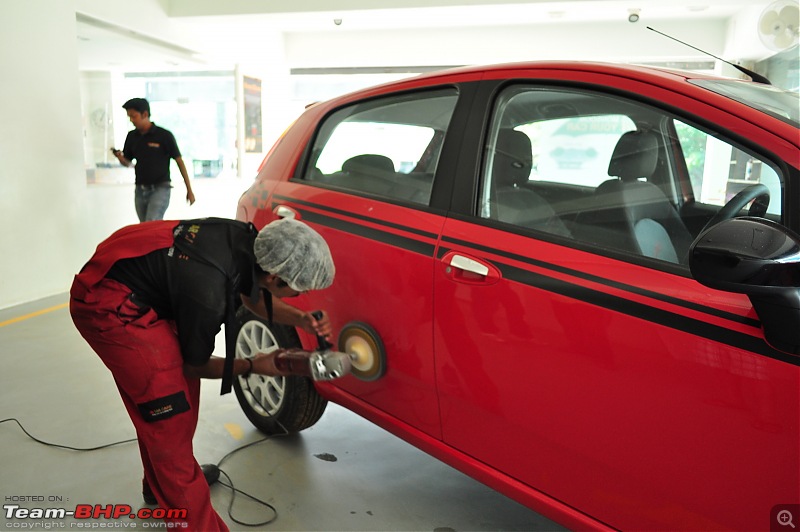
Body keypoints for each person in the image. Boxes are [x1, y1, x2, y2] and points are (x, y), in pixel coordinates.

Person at [69, 217, 336, 531]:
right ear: (276, 275)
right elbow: (194, 365)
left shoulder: (247, 241)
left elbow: (250, 290)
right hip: (108, 306)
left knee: (179, 402)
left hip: (143, 283)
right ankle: (185, 504)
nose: (299, 295)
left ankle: (159, 488)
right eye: (298, 289)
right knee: (168, 414)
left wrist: (301, 319)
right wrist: (253, 365)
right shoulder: (207, 292)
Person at [111, 98, 196, 222]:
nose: (131, 120)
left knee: (151, 222)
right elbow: (128, 163)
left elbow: (179, 161)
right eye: (129, 117)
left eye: (134, 116)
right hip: (140, 189)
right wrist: (120, 158)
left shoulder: (164, 135)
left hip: (160, 188)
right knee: (144, 227)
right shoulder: (132, 136)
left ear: (145, 114)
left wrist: (189, 190)